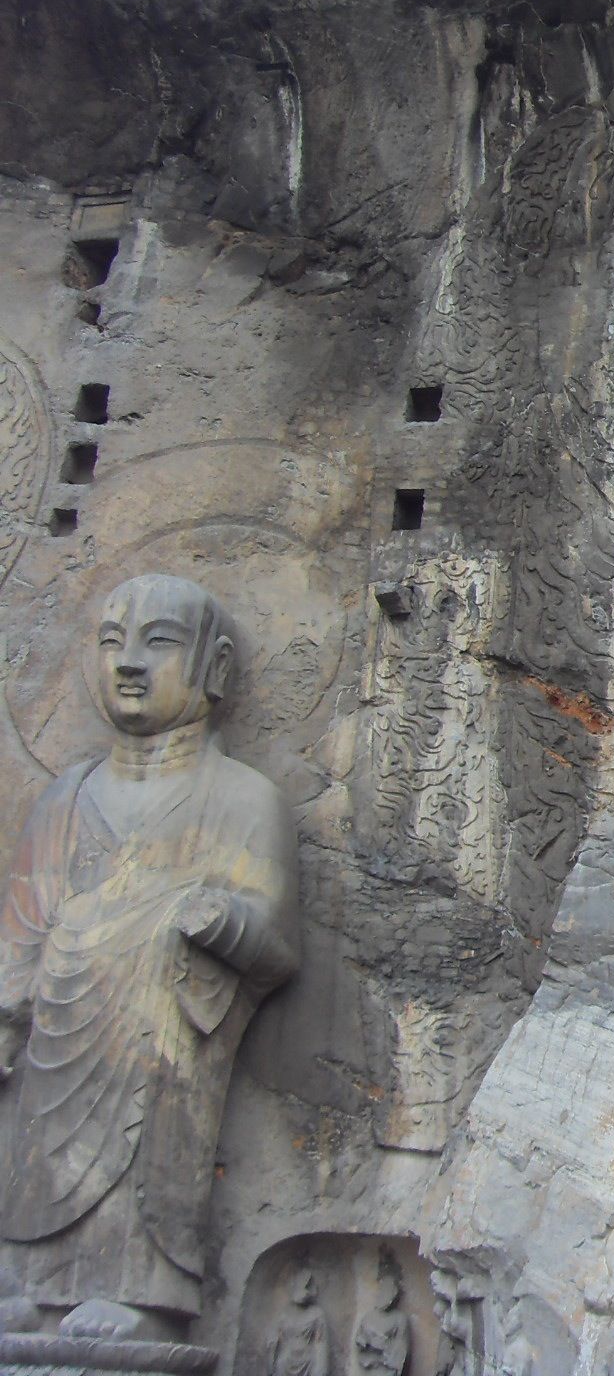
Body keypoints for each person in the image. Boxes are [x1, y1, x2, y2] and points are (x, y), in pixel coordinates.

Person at [0, 573, 298, 1341]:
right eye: (111, 642)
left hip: (161, 1038)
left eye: (158, 642)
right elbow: (24, 929)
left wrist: (214, 920)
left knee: (156, 1112)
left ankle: (146, 1291)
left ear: (216, 667)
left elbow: (275, 949)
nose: (129, 663)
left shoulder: (238, 797)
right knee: (34, 1136)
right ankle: (33, 1280)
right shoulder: (65, 797)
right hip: (59, 1030)